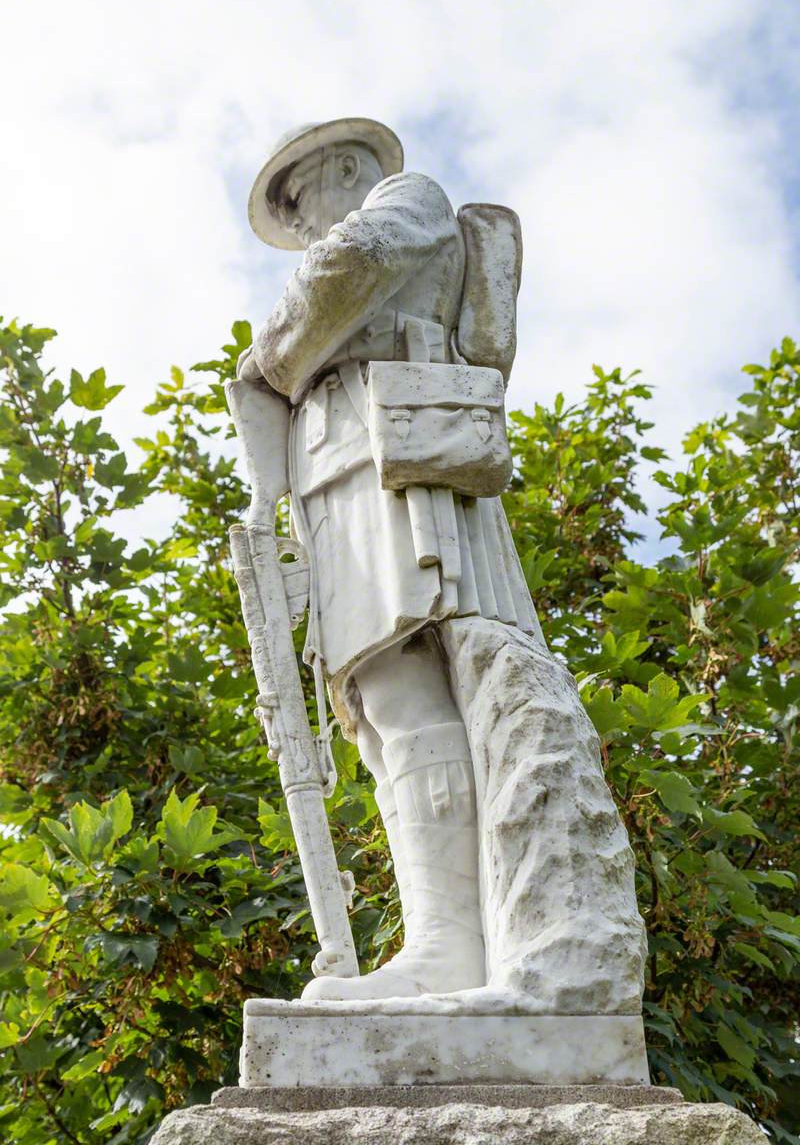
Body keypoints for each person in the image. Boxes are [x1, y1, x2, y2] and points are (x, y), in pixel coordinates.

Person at [237, 118, 647, 1011]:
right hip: (341, 485)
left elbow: (334, 282)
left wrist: (277, 354)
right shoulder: (361, 228)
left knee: (410, 681)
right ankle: (440, 937)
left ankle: (451, 949)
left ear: (343, 170)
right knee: (380, 711)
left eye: (303, 205)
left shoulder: (404, 201)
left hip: (405, 475)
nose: (304, 231)